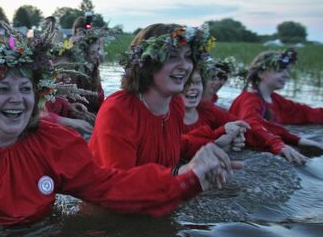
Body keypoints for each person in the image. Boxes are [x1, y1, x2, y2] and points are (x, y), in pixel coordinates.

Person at [0, 27, 237, 237]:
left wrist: (188, 181)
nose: (18, 99)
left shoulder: (54, 146)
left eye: (26, 89)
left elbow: (110, 187)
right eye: (3, 89)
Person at [89, 23, 241, 173]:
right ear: (146, 63)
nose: (185, 66)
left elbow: (171, 145)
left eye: (188, 57)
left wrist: (216, 142)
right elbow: (118, 186)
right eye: (172, 56)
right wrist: (183, 174)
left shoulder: (175, 105)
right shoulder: (119, 110)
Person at [229, 48, 323, 164]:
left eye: (288, 71)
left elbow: (306, 112)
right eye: (280, 70)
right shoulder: (248, 98)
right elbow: (251, 124)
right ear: (261, 73)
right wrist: (288, 142)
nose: (286, 75)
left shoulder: (276, 100)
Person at [182, 69, 249, 152]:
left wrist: (236, 134)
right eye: (185, 83)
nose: (192, 87)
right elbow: (179, 143)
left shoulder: (206, 109)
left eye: (197, 82)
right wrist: (217, 142)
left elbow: (242, 124)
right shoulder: (165, 117)